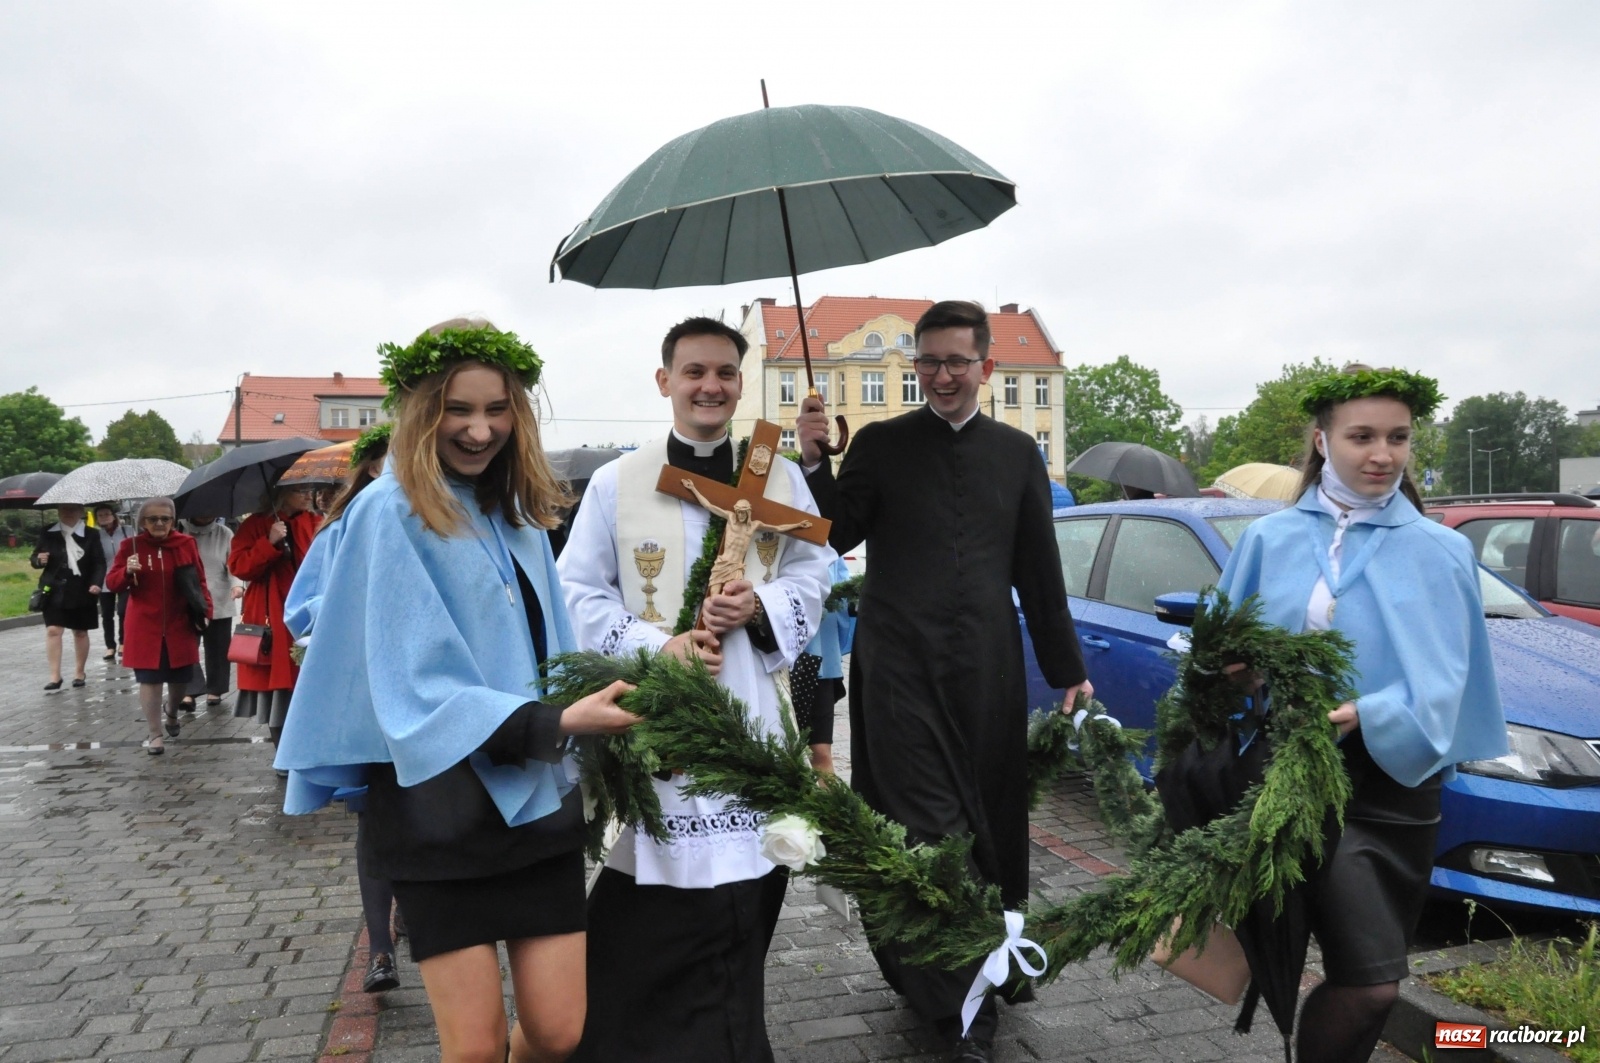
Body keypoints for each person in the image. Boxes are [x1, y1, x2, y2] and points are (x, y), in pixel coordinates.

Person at [273, 317, 637, 1063]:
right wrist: (556, 719)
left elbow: (553, 646)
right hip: (438, 808)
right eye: (458, 410)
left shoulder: (521, 514)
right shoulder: (387, 510)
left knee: (560, 1028)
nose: (479, 430)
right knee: (470, 1048)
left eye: (497, 409)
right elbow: (413, 678)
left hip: (535, 801)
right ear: (420, 412)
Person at [795, 300, 1092, 1062]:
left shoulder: (1018, 453)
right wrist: (815, 461)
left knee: (988, 823)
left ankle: (980, 964)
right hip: (899, 668)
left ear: (987, 367)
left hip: (989, 669)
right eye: (928, 361)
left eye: (958, 360)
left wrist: (1068, 671)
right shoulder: (884, 443)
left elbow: (1039, 572)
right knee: (926, 828)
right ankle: (961, 1010)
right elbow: (839, 530)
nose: (943, 374)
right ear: (914, 366)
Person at [560, 316, 834, 1063]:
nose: (709, 386)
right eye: (693, 372)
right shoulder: (621, 480)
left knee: (741, 916)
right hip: (656, 734)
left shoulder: (774, 475)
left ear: (741, 384)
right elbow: (578, 592)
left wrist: (761, 606)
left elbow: (818, 570)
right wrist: (661, 646)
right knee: (639, 926)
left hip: (752, 719)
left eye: (724, 372)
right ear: (665, 382)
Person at [1215, 365, 1505, 1063]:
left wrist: (1367, 711)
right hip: (1283, 777)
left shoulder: (1441, 550)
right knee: (1281, 955)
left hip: (1388, 786)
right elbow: (1220, 645)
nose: (1383, 453)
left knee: (1371, 984)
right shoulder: (1270, 538)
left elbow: (1449, 680)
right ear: (1322, 439)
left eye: (1398, 436)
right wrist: (1232, 669)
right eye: (1363, 435)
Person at [282, 421, 407, 994]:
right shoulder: (339, 531)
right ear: (372, 468)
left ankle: (416, 906)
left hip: (421, 695)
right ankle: (380, 950)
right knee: (377, 823)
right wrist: (341, 609)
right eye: (387, 460)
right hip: (366, 702)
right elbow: (301, 607)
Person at [105, 497, 211, 754]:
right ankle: (154, 734)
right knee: (149, 679)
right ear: (142, 522)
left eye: (165, 518)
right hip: (145, 624)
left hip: (180, 621)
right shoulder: (130, 546)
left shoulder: (186, 544)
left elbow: (199, 580)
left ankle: (172, 711)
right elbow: (112, 583)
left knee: (180, 679)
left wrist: (207, 609)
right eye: (153, 519)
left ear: (173, 521)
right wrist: (127, 572)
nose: (160, 523)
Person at [229, 484, 320, 748]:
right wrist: (268, 543)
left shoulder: (313, 521)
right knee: (279, 681)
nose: (307, 495)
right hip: (271, 609)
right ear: (281, 494)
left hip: (306, 608)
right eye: (300, 490)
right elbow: (240, 567)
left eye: (309, 490)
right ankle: (283, 747)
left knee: (307, 674)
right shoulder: (257, 525)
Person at [32, 503, 107, 690]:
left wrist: (97, 583)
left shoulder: (91, 534)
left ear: (81, 512)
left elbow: (99, 563)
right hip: (53, 589)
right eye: (64, 509)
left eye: (72, 509)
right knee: (53, 631)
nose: (68, 513)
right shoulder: (48, 532)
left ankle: (79, 672)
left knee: (80, 632)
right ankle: (54, 676)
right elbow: (35, 557)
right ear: (58, 511)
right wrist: (38, 560)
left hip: (82, 589)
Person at [180, 515, 243, 710]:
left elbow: (233, 563)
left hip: (218, 595)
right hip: (186, 596)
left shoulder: (224, 533)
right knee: (185, 646)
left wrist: (237, 585)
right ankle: (188, 691)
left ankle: (215, 689)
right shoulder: (178, 531)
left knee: (218, 646)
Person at [92, 504, 130, 660]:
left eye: (107, 514)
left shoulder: (127, 531)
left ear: (114, 515)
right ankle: (110, 646)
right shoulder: (96, 536)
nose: (104, 517)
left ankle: (123, 642)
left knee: (123, 611)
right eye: (100, 515)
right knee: (107, 614)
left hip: (124, 576)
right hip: (105, 578)